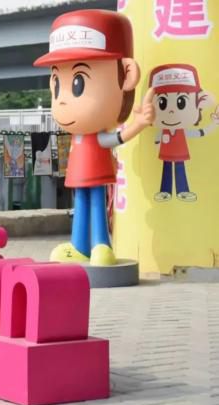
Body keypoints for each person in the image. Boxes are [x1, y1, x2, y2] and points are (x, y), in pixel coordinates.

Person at [33, 9, 155, 266]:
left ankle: (101, 243)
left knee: (98, 203)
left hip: (96, 173)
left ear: (127, 75)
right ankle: (78, 246)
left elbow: (117, 138)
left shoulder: (97, 137)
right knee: (80, 205)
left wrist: (138, 124)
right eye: (57, 85)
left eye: (78, 84)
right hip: (79, 174)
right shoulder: (77, 135)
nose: (62, 99)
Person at [149, 64, 219, 202]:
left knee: (180, 168)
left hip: (180, 153)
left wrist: (214, 124)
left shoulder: (183, 131)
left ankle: (183, 190)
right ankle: (165, 191)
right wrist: (158, 144)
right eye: (162, 103)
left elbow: (200, 132)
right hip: (166, 154)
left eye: (181, 102)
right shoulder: (163, 130)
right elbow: (157, 140)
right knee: (167, 169)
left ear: (200, 102)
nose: (171, 111)